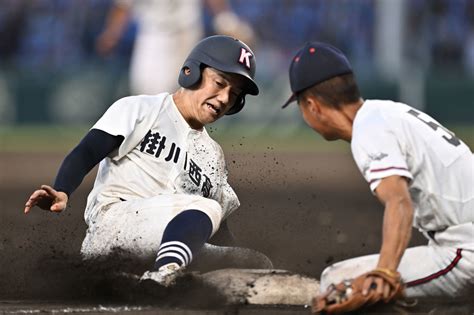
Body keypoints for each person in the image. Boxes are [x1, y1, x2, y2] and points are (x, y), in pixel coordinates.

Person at [24, 35, 272, 286]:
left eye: (234, 94)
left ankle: (138, 278)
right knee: (204, 207)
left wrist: (232, 260)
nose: (223, 99)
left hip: (164, 240)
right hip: (115, 229)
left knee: (254, 262)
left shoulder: (213, 155)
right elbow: (87, 151)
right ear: (191, 72)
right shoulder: (142, 109)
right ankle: (162, 276)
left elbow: (216, 227)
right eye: (220, 83)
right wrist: (63, 190)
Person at [282, 42, 473, 305]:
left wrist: (384, 273)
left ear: (312, 106)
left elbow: (399, 202)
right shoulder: (385, 113)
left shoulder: (368, 130)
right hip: (459, 238)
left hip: (465, 251)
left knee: (337, 284)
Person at [96, 0, 255, 95]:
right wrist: (111, 33)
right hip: (152, 33)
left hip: (184, 31)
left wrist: (226, 20)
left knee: (183, 88)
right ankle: (155, 139)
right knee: (144, 89)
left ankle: (182, 141)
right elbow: (123, 5)